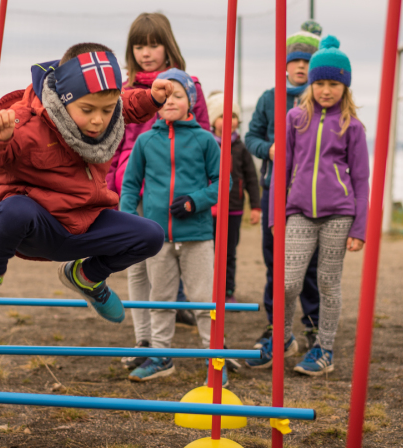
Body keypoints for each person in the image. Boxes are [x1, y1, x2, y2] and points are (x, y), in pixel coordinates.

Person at [0, 43, 174, 325]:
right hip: (39, 229)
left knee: (151, 235)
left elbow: (127, 104)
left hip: (88, 225)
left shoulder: (109, 115)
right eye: (87, 109)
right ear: (64, 99)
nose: (98, 120)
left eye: (107, 109)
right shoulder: (26, 124)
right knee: (13, 210)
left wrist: (151, 98)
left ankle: (87, 276)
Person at [245, 37, 369, 376]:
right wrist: (276, 216)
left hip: (338, 216)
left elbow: (361, 180)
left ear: (345, 87)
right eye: (320, 83)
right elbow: (281, 172)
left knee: (328, 284)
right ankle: (282, 338)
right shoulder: (295, 118)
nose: (326, 90)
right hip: (298, 213)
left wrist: (359, 228)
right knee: (287, 283)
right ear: (311, 84)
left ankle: (324, 349)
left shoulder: (352, 126)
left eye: (334, 84)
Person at [107, 13, 210, 369]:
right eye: (139, 46)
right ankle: (145, 341)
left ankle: (186, 346)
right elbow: (113, 143)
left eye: (153, 45)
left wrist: (198, 196)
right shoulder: (122, 92)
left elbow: (203, 138)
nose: (146, 53)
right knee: (137, 270)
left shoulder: (187, 86)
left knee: (173, 276)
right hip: (130, 192)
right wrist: (110, 189)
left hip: (173, 199)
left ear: (168, 47)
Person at [119, 69, 228, 386]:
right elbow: (130, 186)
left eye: (178, 95)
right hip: (158, 238)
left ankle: (215, 359)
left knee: (204, 301)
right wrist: (129, 221)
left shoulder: (206, 140)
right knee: (160, 300)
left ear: (191, 102)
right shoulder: (145, 141)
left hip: (197, 237)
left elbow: (223, 183)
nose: (170, 101)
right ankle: (160, 356)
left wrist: (195, 201)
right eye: (165, 96)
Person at [244, 20, 323, 352]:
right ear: (285, 66)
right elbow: (251, 137)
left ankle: (313, 324)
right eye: (295, 61)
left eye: (307, 61)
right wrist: (269, 150)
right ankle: (276, 324)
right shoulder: (270, 98)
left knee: (310, 264)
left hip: (312, 195)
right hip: (273, 190)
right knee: (275, 260)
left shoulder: (321, 98)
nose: (301, 67)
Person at [205, 91, 260, 303]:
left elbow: (251, 178)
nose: (230, 120)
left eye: (234, 116)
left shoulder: (241, 148)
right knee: (206, 251)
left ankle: (228, 291)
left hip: (233, 209)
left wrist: (255, 206)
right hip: (208, 210)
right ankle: (209, 291)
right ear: (213, 120)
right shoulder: (206, 145)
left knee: (229, 252)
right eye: (223, 116)